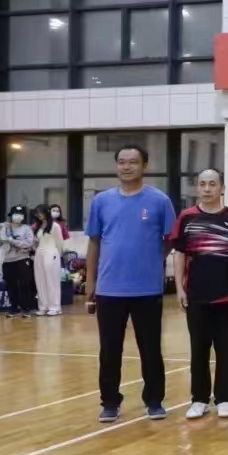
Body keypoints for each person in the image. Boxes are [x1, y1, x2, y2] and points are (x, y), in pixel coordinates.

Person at [85, 144, 176, 423]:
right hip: (109, 289)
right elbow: (94, 243)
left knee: (151, 349)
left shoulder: (159, 200)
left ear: (144, 166)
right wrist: (91, 284)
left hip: (147, 289)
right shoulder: (101, 201)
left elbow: (170, 240)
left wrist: (152, 259)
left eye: (133, 162)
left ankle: (154, 401)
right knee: (109, 351)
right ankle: (110, 402)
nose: (126, 167)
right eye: (122, 162)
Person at [171, 169, 228, 420]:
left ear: (222, 188)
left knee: (225, 349)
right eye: (202, 184)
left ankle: (224, 399)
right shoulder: (187, 217)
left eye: (212, 184)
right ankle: (199, 399)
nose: (207, 188)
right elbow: (180, 254)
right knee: (198, 349)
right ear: (197, 188)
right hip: (196, 295)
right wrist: (180, 288)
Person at [0, 206, 36, 318]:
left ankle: (26, 308)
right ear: (11, 216)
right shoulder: (5, 227)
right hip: (7, 260)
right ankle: (14, 308)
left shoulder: (27, 228)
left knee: (24, 284)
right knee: (10, 285)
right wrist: (0, 227)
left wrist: (12, 241)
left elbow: (28, 243)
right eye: (15, 214)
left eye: (20, 214)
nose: (18, 216)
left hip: (22, 259)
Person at [31, 205, 64, 316]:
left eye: (40, 212)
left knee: (51, 281)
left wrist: (57, 255)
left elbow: (59, 243)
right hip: (39, 253)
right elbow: (36, 242)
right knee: (40, 281)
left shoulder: (55, 226)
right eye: (37, 213)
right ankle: (43, 306)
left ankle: (55, 306)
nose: (38, 215)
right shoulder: (38, 226)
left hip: (51, 253)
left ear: (46, 212)